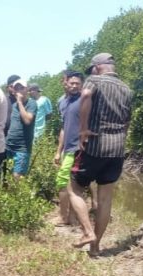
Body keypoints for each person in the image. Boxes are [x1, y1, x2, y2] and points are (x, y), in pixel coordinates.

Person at [70, 53, 133, 255]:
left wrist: (83, 129)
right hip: (117, 149)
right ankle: (95, 248)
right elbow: (127, 121)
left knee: (73, 188)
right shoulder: (127, 89)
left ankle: (88, 233)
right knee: (105, 197)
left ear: (97, 67)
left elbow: (86, 95)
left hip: (95, 144)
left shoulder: (93, 81)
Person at [53, 71, 84, 225]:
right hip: (68, 149)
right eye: (71, 83)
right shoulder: (63, 102)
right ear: (66, 83)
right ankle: (68, 217)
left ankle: (65, 217)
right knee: (67, 183)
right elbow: (64, 129)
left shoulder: (85, 100)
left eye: (77, 83)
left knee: (65, 182)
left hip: (80, 149)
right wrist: (59, 151)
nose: (73, 86)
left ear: (82, 85)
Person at [5, 79, 37, 178]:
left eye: (21, 88)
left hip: (22, 148)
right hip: (9, 146)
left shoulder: (31, 103)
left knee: (17, 177)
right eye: (16, 88)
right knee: (6, 177)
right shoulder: (13, 106)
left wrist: (19, 102)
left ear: (27, 89)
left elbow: (27, 120)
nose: (19, 90)